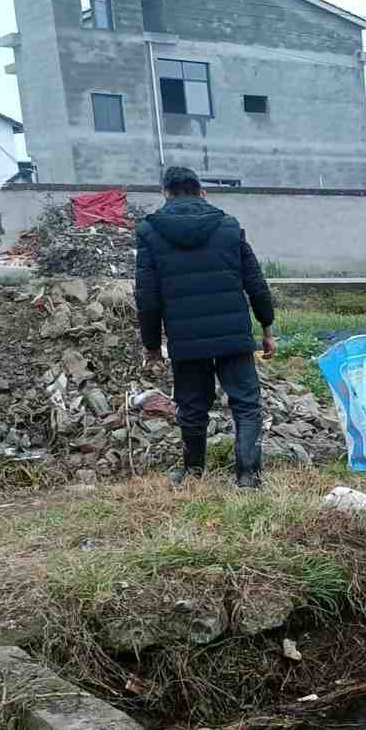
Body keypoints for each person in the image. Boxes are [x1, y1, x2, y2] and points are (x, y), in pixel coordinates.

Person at [134, 165, 276, 488]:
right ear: (202, 192)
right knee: (246, 404)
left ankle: (194, 471)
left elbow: (147, 296)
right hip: (233, 335)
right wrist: (266, 328)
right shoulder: (228, 226)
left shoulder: (150, 232)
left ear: (165, 194)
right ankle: (248, 477)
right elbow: (255, 282)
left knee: (191, 405)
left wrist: (152, 345)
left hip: (186, 338)